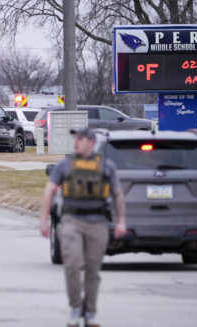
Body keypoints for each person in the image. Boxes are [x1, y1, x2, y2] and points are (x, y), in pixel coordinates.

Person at [39, 127, 127, 327]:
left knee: (92, 270)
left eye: (80, 139)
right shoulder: (65, 165)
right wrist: (44, 219)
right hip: (72, 221)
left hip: (98, 223)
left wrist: (121, 221)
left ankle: (90, 314)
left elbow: (117, 194)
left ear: (91, 142)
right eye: (75, 138)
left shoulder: (106, 166)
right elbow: (50, 191)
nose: (76, 142)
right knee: (72, 265)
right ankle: (76, 307)